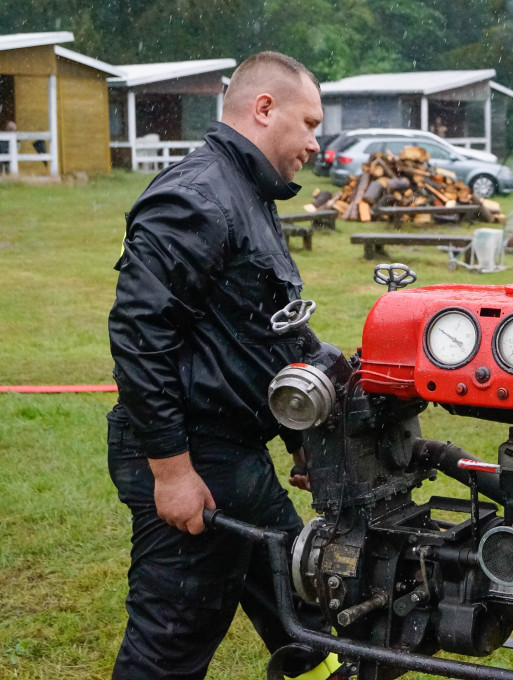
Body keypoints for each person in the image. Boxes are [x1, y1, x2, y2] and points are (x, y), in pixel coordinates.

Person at [106, 52, 342, 680]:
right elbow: (138, 334)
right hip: (193, 457)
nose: (316, 143)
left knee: (301, 603)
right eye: (310, 123)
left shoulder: (249, 193)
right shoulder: (198, 196)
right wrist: (172, 470)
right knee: (172, 643)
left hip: (235, 457)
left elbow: (272, 334)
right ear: (263, 110)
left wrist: (302, 443)